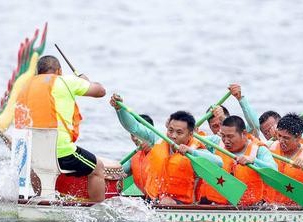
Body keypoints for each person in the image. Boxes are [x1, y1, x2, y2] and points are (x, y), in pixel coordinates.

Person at [14, 55, 107, 201]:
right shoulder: (65, 81)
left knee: (36, 165)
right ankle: (98, 209)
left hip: (30, 154)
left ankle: (41, 199)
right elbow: (100, 91)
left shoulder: (25, 86)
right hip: (61, 154)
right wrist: (84, 81)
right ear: (59, 71)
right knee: (98, 168)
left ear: (38, 72)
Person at [112, 95, 223, 204]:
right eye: (170, 130)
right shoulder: (158, 139)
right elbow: (134, 127)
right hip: (153, 200)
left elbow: (219, 163)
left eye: (179, 132)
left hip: (182, 205)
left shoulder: (196, 149)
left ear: (190, 134)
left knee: (166, 201)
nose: (173, 136)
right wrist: (120, 109)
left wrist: (191, 151)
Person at [196, 115, 277, 206]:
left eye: (230, 136)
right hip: (216, 205)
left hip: (251, 207)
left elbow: (274, 171)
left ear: (244, 133)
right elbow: (192, 140)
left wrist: (254, 161)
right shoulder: (216, 142)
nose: (226, 141)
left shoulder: (259, 150)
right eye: (223, 136)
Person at [265, 114, 303, 206]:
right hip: (271, 207)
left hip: (299, 207)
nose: (281, 141)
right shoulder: (269, 147)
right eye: (279, 135)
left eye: (286, 138)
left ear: (298, 138)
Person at [122, 114, 153, 191]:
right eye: (132, 135)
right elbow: (119, 171)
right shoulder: (135, 156)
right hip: (146, 196)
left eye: (138, 134)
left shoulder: (164, 148)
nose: (135, 138)